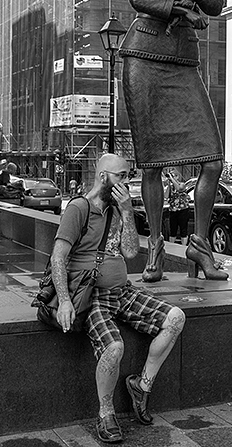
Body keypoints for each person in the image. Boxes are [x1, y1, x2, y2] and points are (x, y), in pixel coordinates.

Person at [118, 0, 228, 282]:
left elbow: (217, 4)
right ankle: (157, 252)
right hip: (144, 57)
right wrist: (178, 8)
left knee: (212, 159)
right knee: (151, 163)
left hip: (183, 62)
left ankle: (200, 248)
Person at [50, 153, 185, 443]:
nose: (127, 181)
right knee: (114, 348)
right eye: (121, 175)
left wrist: (126, 212)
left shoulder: (117, 209)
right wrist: (64, 300)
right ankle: (105, 413)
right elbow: (57, 257)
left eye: (127, 175)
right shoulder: (79, 208)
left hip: (122, 291)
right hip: (93, 295)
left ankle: (141, 386)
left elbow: (131, 253)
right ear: (103, 177)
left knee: (175, 318)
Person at [167, 172, 190, 245]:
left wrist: (172, 178)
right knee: (173, 230)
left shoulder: (182, 184)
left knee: (183, 229)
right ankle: (171, 246)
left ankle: (183, 247)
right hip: (173, 210)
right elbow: (166, 196)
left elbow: (179, 188)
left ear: (177, 177)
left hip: (183, 210)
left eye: (174, 176)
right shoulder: (171, 186)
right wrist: (168, 185)